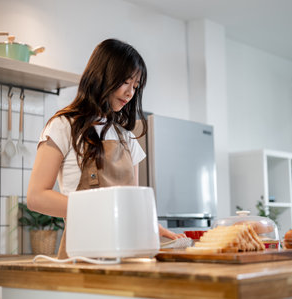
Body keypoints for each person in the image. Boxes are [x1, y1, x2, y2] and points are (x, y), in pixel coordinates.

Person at [27, 38, 185, 258]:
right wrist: (100, 209)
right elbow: (36, 197)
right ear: (103, 76)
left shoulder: (126, 137)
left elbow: (132, 203)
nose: (131, 93)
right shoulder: (63, 125)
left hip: (128, 256)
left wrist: (150, 225)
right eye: (126, 82)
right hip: (82, 258)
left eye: (136, 86)